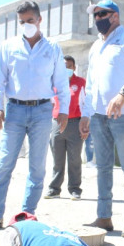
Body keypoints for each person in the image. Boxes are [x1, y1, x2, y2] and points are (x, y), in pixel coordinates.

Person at [0, 1, 69, 231]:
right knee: (5, 163)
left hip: (42, 111)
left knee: (37, 167)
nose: (26, 25)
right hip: (15, 111)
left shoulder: (52, 47)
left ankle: (27, 216)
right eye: (22, 22)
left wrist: (63, 110)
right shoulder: (9, 46)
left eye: (30, 21)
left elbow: (61, 82)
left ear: (40, 20)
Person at [79, 0, 124, 238]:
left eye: (102, 14)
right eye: (95, 15)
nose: (98, 19)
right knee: (103, 168)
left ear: (115, 16)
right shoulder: (95, 47)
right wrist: (86, 114)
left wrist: (123, 94)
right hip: (99, 116)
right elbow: (90, 84)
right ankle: (104, 217)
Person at [45, 55, 85, 200]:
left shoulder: (81, 83)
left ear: (74, 68)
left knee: (75, 159)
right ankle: (54, 189)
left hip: (75, 123)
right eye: (63, 66)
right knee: (57, 158)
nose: (66, 69)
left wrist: (85, 124)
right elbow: (48, 104)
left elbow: (86, 104)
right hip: (57, 123)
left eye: (69, 66)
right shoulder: (53, 84)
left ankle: (75, 189)